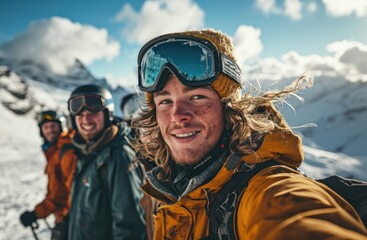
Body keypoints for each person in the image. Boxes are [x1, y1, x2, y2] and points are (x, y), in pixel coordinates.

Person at [132, 29, 367, 239]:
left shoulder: (268, 190)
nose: (177, 115)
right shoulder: (170, 188)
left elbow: (298, 218)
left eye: (197, 97)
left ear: (229, 109)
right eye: (164, 101)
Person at [62, 84, 146, 240]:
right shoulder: (87, 153)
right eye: (80, 115)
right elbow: (83, 207)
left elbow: (130, 228)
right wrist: (66, 226)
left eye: (93, 113)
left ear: (108, 115)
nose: (86, 120)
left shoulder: (118, 156)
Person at [20, 110, 77, 232]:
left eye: (53, 126)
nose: (50, 130)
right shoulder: (55, 152)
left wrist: (36, 214)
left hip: (72, 221)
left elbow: (60, 195)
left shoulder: (66, 153)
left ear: (61, 127)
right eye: (46, 127)